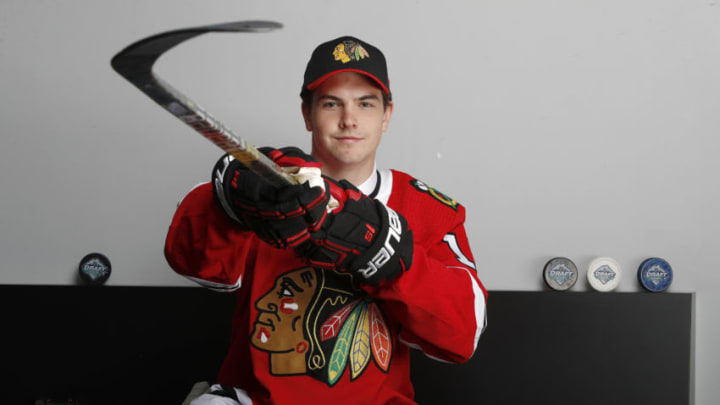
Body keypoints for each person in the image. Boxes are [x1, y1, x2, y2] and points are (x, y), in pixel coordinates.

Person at [165, 35, 487, 405]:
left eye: (365, 104)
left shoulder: (428, 209)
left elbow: (463, 336)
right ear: (307, 114)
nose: (349, 120)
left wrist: (387, 256)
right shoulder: (268, 185)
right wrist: (229, 202)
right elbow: (195, 266)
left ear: (387, 115)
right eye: (332, 104)